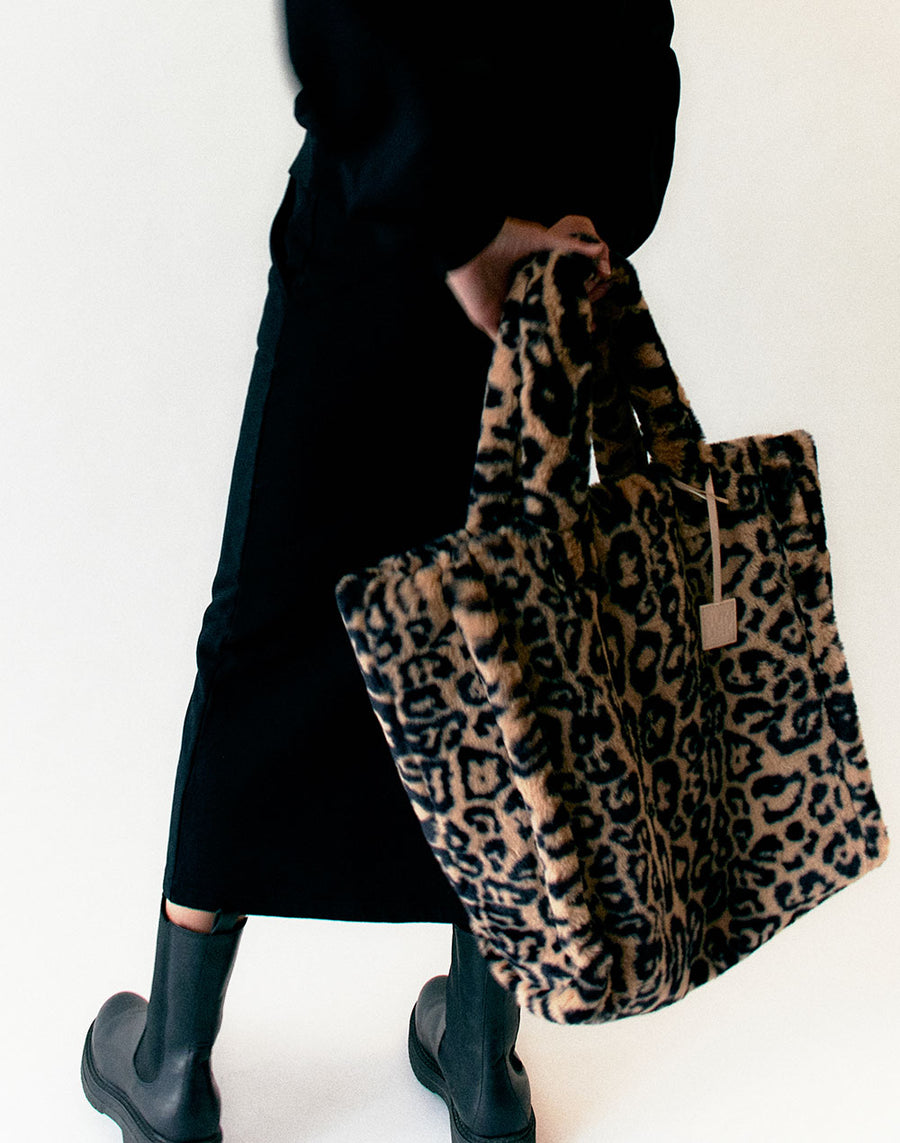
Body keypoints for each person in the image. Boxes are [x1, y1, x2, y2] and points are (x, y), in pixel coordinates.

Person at [80, 3, 680, 1141]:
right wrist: (593, 220)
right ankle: (483, 1063)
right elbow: (632, 34)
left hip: (382, 226)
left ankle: (174, 1061)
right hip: (551, 257)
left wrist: (458, 226)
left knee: (268, 626)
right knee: (510, 639)